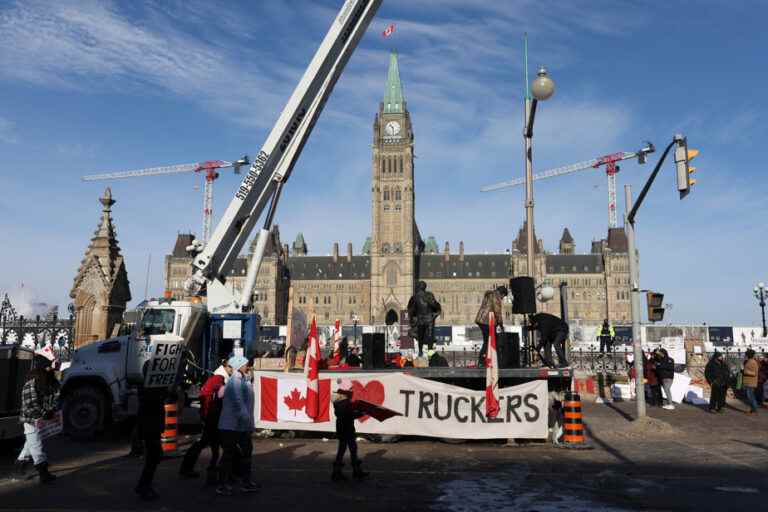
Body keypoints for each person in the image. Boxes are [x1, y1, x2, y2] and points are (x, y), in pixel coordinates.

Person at [179, 361, 232, 484]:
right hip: (212, 417)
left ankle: (211, 470)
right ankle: (221, 472)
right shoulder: (219, 379)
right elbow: (219, 394)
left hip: (211, 416)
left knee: (213, 445)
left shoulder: (218, 378)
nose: (231, 369)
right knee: (216, 444)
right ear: (224, 367)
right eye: (230, 367)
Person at [16, 349, 60, 485]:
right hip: (31, 419)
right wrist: (43, 414)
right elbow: (31, 404)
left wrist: (52, 410)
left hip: (41, 417)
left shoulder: (51, 380)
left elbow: (57, 395)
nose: (52, 368)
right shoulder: (32, 383)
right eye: (49, 365)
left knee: (32, 442)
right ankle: (43, 472)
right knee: (36, 444)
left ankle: (20, 463)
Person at [217, 355, 258, 496]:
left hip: (240, 425)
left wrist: (249, 423)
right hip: (231, 425)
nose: (248, 366)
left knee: (246, 452)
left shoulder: (243, 380)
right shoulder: (235, 381)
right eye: (246, 364)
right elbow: (239, 403)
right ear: (239, 365)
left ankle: (245, 482)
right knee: (229, 455)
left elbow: (248, 404)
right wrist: (247, 421)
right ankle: (223, 484)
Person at [134, 369, 170, 501]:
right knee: (153, 457)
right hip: (150, 428)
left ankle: (144, 484)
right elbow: (157, 397)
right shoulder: (146, 387)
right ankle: (144, 486)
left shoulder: (150, 386)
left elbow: (166, 395)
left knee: (154, 457)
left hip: (152, 427)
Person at [331, 380, 368, 482]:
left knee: (350, 448)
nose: (352, 391)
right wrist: (361, 413)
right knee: (345, 449)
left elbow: (348, 413)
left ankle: (353, 471)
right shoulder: (343, 402)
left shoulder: (340, 401)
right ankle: (339, 472)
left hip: (344, 427)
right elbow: (349, 415)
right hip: (346, 428)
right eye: (350, 389)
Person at [475, 286, 507, 367]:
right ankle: (485, 361)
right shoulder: (496, 296)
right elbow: (497, 312)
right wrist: (501, 324)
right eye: (503, 296)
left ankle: (484, 360)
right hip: (486, 321)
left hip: (481, 320)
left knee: (488, 341)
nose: (502, 298)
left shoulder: (490, 294)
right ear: (502, 293)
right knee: (490, 341)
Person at [407, 281, 442, 357]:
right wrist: (435, 313)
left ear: (419, 287)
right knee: (430, 337)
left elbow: (411, 310)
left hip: (421, 320)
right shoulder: (429, 295)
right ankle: (430, 354)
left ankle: (420, 352)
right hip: (429, 319)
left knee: (420, 337)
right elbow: (435, 306)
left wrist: (413, 320)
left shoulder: (415, 297)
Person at [742, 349, 759, 415]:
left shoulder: (753, 362)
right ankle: (752, 410)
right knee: (750, 397)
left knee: (751, 397)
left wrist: (745, 371)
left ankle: (754, 410)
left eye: (746, 354)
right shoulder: (748, 361)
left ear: (748, 355)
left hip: (751, 383)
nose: (745, 356)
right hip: (748, 382)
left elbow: (755, 373)